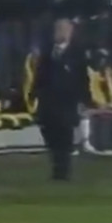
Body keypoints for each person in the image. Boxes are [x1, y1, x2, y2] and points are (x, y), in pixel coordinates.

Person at [29, 18, 89, 181]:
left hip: (67, 102)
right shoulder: (47, 52)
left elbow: (83, 79)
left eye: (64, 30)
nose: (60, 33)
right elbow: (40, 75)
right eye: (58, 29)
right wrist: (34, 93)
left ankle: (63, 171)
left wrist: (84, 100)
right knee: (50, 135)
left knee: (65, 136)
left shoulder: (77, 54)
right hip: (48, 102)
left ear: (70, 32)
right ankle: (57, 166)